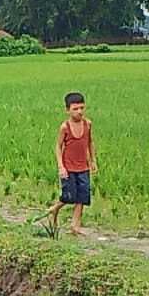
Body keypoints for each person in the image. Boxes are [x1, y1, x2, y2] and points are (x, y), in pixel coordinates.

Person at [45, 92, 96, 236]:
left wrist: (92, 160)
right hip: (68, 168)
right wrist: (61, 166)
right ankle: (54, 209)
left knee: (82, 196)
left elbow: (90, 143)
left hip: (83, 167)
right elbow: (58, 146)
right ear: (67, 110)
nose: (79, 111)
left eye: (81, 108)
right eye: (75, 109)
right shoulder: (65, 127)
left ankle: (75, 226)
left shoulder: (88, 124)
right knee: (69, 196)